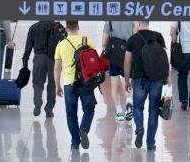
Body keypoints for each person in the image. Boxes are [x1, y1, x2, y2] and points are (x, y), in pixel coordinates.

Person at [125, 21, 169, 150]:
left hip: (139, 79)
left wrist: (127, 80)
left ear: (138, 23)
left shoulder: (132, 39)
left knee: (137, 108)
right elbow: (164, 59)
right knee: (154, 110)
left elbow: (127, 62)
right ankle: (150, 143)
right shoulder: (158, 36)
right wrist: (167, 76)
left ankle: (139, 129)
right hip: (157, 79)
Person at [53, 20, 97, 150]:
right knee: (89, 109)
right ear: (78, 27)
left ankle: (75, 142)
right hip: (86, 82)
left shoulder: (61, 45)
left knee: (71, 114)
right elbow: (95, 60)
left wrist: (57, 86)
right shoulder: (87, 41)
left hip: (69, 83)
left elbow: (57, 68)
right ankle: (84, 129)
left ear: (66, 28)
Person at [22, 19, 63, 117]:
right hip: (53, 59)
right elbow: (64, 42)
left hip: (38, 59)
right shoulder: (58, 27)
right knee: (52, 84)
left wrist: (25, 62)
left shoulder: (33, 27)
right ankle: (49, 109)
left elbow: (28, 47)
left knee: (37, 83)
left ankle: (37, 102)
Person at [102, 18, 134, 120]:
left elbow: (103, 42)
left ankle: (119, 112)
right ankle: (129, 102)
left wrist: (105, 49)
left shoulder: (109, 21)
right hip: (127, 54)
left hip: (114, 55)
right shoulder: (131, 20)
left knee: (114, 84)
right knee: (127, 81)